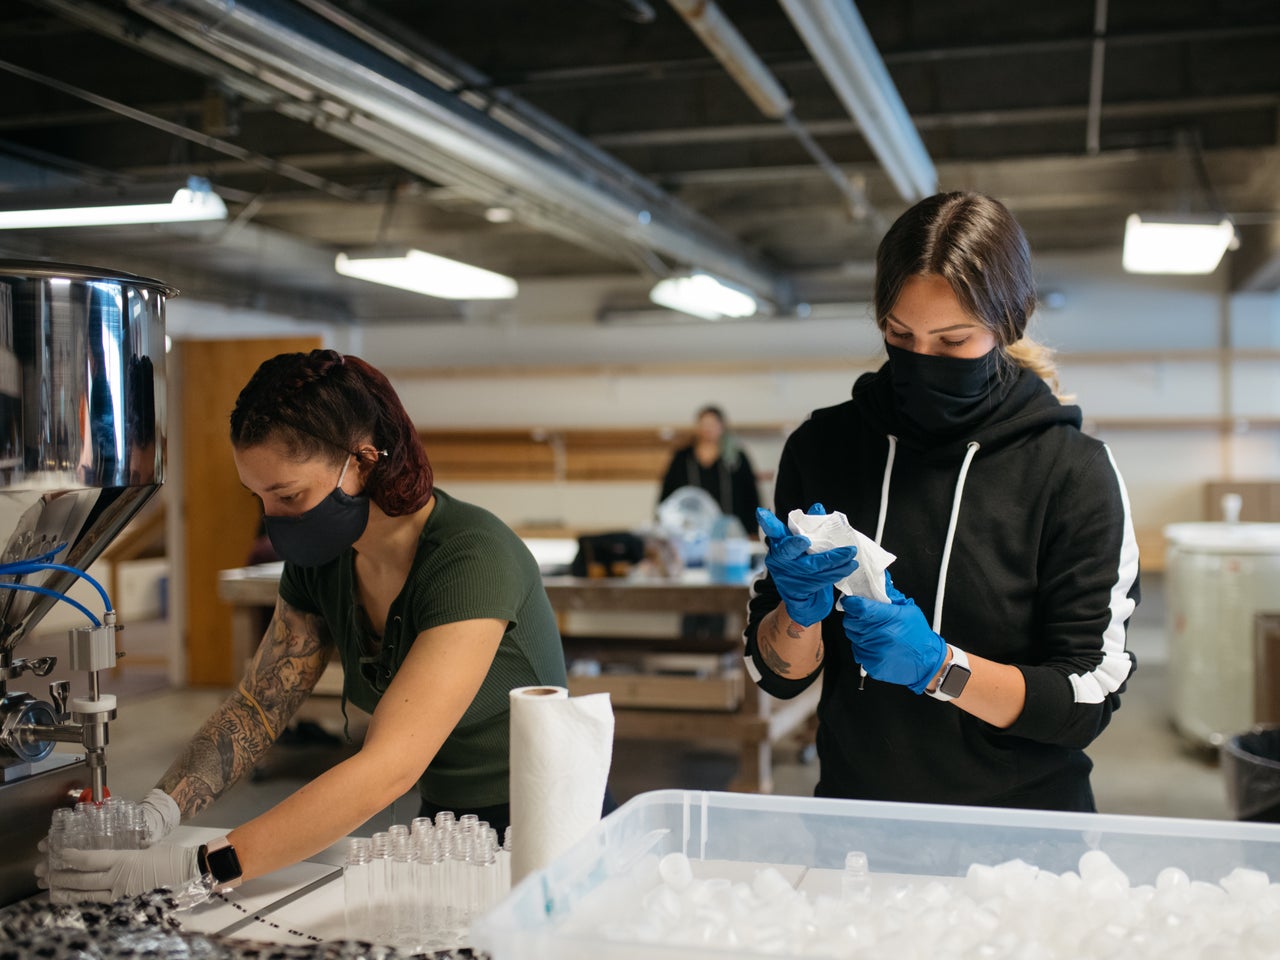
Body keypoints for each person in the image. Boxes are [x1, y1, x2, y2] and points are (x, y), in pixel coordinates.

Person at [42, 349, 569, 901]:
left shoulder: (472, 558)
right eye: (261, 497)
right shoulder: (325, 558)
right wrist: (158, 811)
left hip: (541, 824)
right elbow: (260, 704)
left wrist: (203, 866)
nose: (273, 518)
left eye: (289, 495)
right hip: (446, 822)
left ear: (363, 462)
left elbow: (389, 767)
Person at [746, 191, 1139, 812]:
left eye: (953, 341)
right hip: (858, 820)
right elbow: (778, 673)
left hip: (1022, 835)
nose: (921, 360)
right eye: (899, 334)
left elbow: (1088, 697)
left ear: (1005, 327)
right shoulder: (823, 448)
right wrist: (797, 614)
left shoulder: (1071, 472)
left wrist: (940, 668)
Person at [659, 404, 761, 536]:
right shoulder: (682, 458)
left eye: (713, 424)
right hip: (689, 533)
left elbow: (750, 495)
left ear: (722, 426)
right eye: (704, 424)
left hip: (730, 533)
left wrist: (753, 529)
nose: (708, 429)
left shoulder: (736, 458)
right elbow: (668, 495)